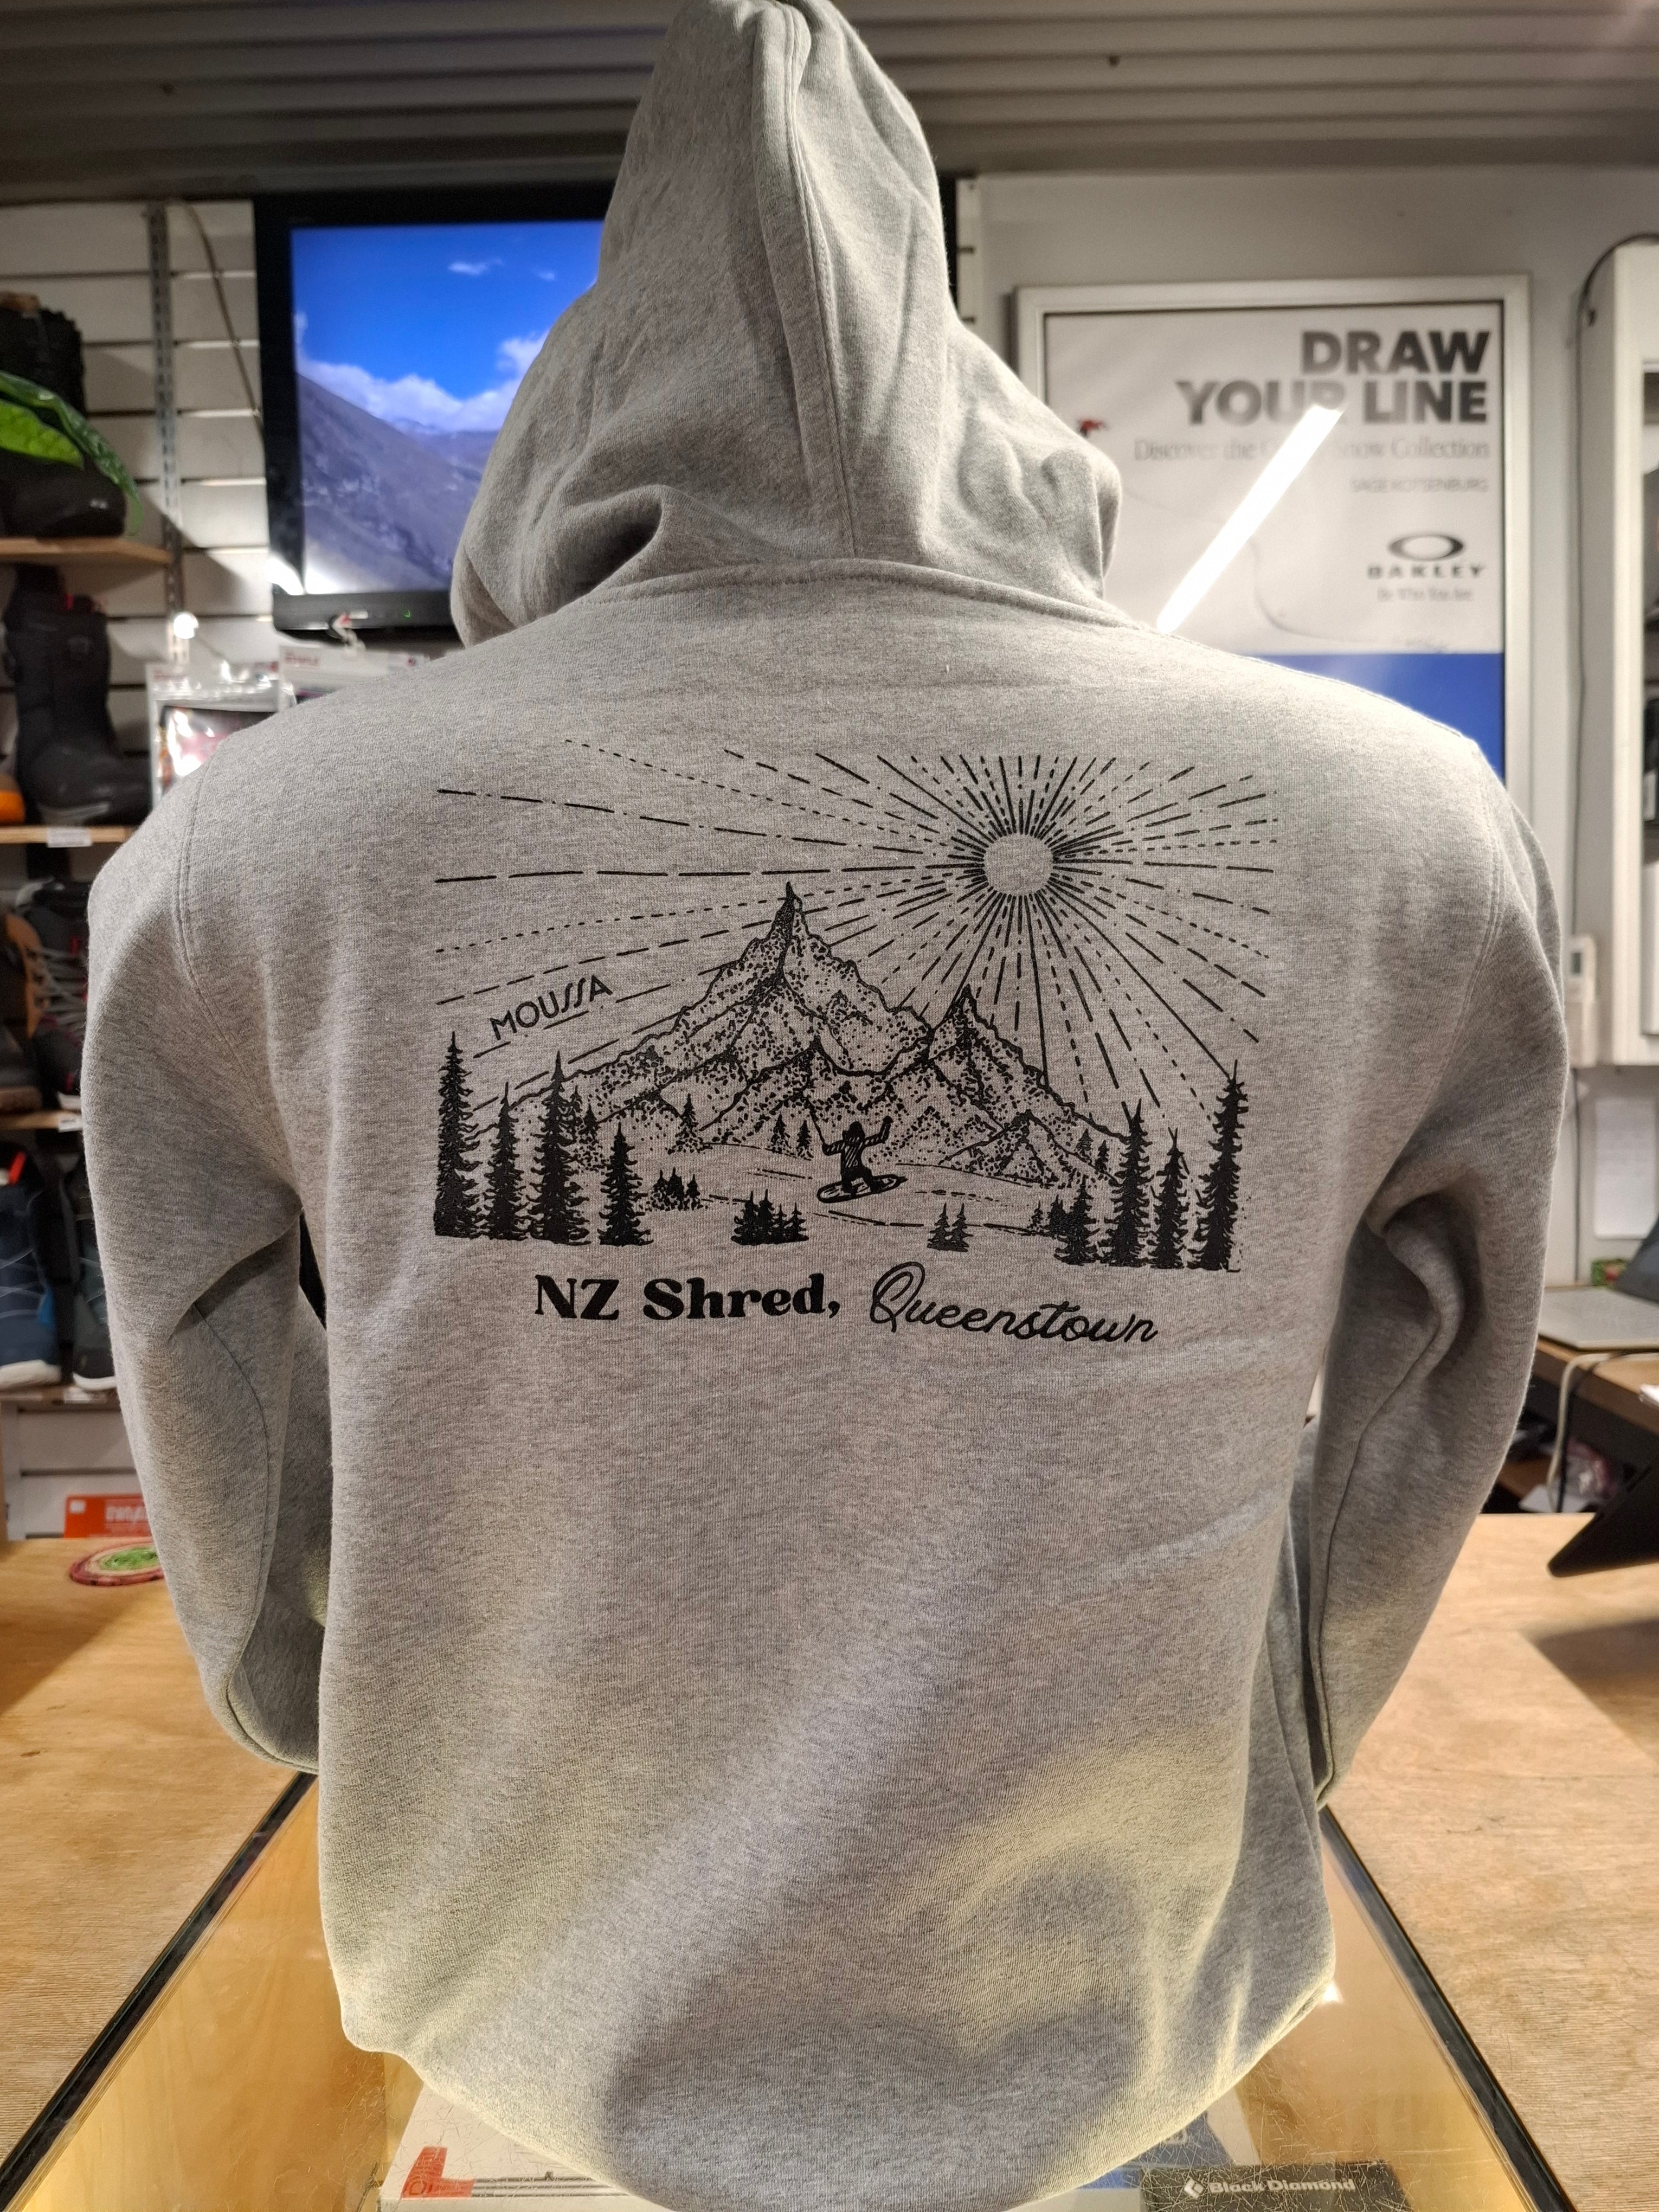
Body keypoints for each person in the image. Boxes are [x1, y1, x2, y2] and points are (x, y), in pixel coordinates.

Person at [82, 3, 1566, 2208]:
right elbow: (1440, 1366)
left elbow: (203, 1364)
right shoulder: (1407, 818)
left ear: (576, 413)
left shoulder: (251, 841)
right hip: (1112, 1965)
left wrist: (339, 1700)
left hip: (512, 1948)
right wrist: (1292, 1724)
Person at [822, 1113, 891, 1197]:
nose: (855, 1139)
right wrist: (826, 1148)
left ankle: (870, 1186)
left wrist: (886, 1125)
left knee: (866, 1172)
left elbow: (878, 1138)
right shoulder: (849, 1144)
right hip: (849, 1171)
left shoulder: (850, 1144)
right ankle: (851, 1188)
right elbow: (878, 1139)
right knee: (860, 1174)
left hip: (854, 1170)